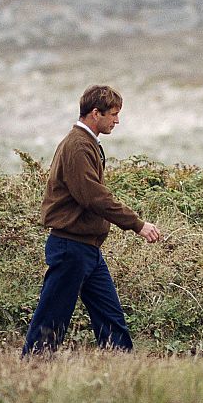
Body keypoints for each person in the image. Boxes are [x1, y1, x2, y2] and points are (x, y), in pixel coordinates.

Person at [22, 85, 161, 354]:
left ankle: (121, 368)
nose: (117, 120)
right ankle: (34, 368)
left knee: (110, 316)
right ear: (95, 113)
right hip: (70, 247)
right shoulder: (77, 146)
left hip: (87, 248)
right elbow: (93, 197)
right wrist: (137, 224)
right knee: (52, 317)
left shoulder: (87, 144)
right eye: (113, 114)